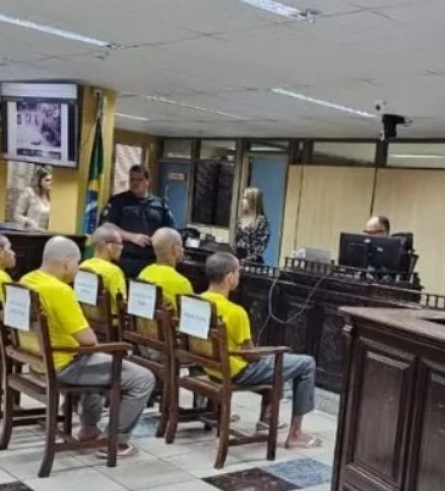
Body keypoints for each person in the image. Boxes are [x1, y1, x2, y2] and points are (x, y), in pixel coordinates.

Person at [19, 236, 154, 457]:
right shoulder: (59, 290)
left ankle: (89, 429)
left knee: (99, 362)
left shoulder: (26, 280)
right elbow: (88, 340)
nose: (78, 268)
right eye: (77, 263)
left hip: (36, 360)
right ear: (67, 263)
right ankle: (114, 441)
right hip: (63, 365)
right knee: (143, 378)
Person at [201, 252, 320, 449]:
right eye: (238, 272)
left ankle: (267, 419)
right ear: (229, 277)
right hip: (236, 371)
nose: (239, 276)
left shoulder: (197, 301)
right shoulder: (235, 312)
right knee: (305, 363)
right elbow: (250, 355)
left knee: (275, 362)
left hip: (210, 368)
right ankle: (295, 434)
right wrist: (265, 353)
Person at [102, 164, 176, 277]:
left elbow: (171, 231)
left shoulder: (160, 205)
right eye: (132, 179)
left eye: (139, 180)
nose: (135, 183)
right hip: (124, 260)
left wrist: (160, 237)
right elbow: (106, 227)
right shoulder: (118, 201)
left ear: (148, 181)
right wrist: (131, 237)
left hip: (151, 261)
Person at [78, 223, 127, 321]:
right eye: (120, 244)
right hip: (112, 324)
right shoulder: (113, 271)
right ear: (110, 246)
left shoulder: (82, 266)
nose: (122, 247)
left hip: (87, 320)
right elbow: (122, 303)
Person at [137, 227, 194, 309]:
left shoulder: (143, 273)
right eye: (181, 246)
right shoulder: (181, 283)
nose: (183, 250)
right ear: (174, 249)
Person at [234, 187, 270, 264]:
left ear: (253, 201)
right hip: (237, 260)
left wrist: (246, 261)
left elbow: (259, 247)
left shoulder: (261, 221)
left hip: (252, 263)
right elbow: (237, 242)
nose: (242, 201)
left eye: (245, 198)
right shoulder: (241, 220)